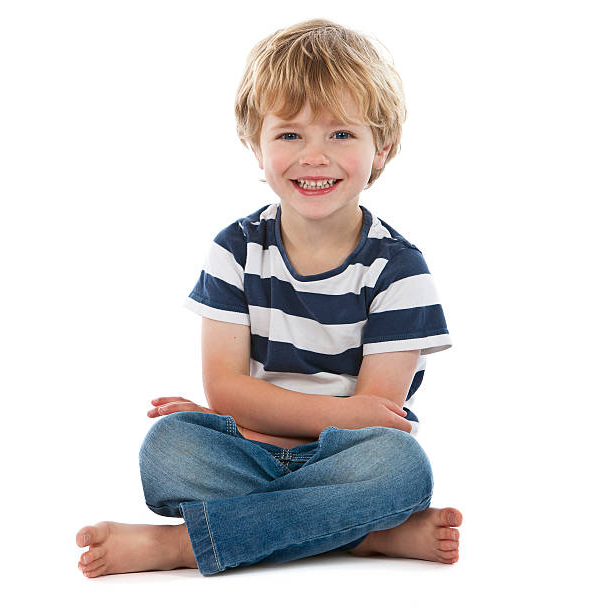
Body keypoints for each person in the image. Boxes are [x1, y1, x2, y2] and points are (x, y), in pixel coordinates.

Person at [76, 18, 463, 578]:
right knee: (167, 447)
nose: (314, 156)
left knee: (400, 468)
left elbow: (374, 424)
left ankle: (183, 545)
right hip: (254, 451)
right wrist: (234, 425)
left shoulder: (400, 270)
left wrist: (246, 416)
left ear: (383, 147)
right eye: (289, 135)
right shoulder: (234, 251)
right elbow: (227, 387)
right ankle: (366, 534)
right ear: (255, 147)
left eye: (340, 134)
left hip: (345, 461)